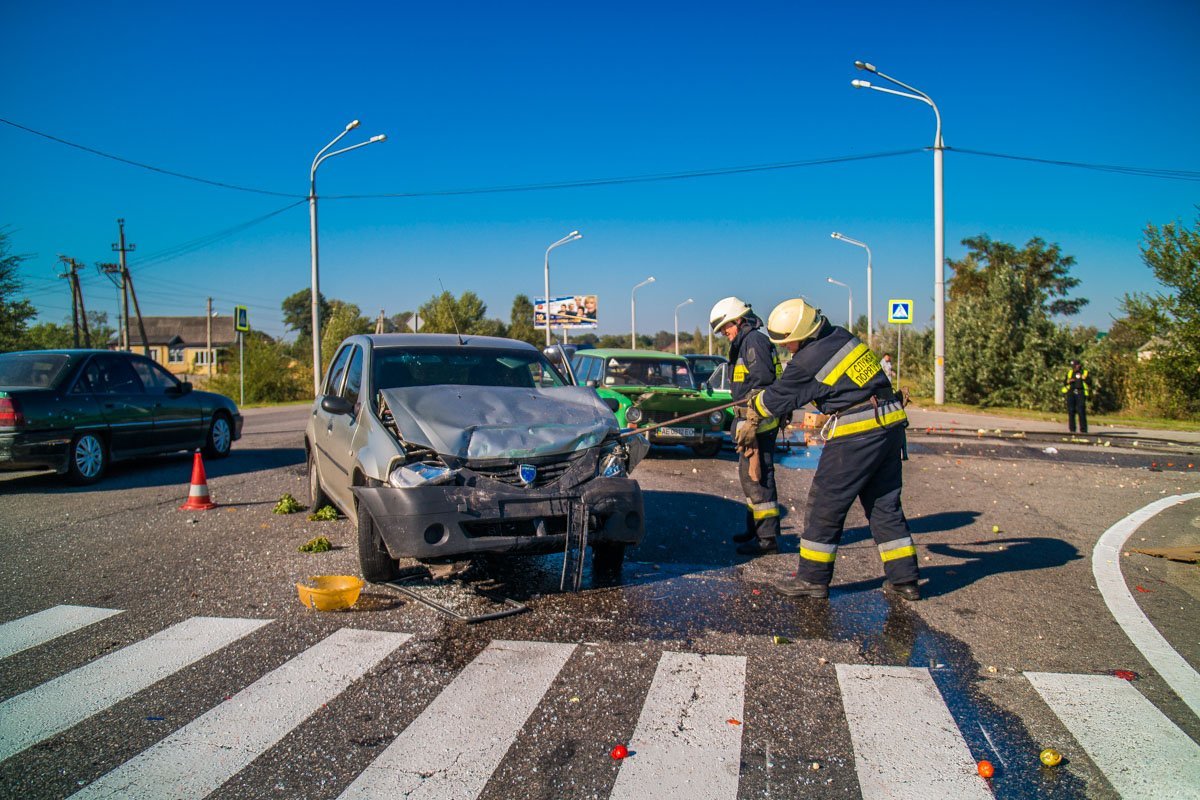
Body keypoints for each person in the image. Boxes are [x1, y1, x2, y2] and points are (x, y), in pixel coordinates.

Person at [746, 297, 920, 600]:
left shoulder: (809, 359)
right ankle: (905, 579)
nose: (787, 348)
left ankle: (812, 579)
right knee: (884, 505)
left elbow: (776, 400)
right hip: (889, 424)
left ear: (803, 334)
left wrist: (753, 405)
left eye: (788, 342)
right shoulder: (841, 336)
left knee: (825, 505)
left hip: (857, 433)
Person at [709, 296, 782, 555]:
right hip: (749, 420)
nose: (724, 333)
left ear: (738, 321)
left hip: (757, 422)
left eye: (726, 327)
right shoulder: (743, 343)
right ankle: (755, 530)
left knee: (758, 477)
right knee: (750, 477)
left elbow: (763, 385)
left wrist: (751, 422)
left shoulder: (754, 342)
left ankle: (767, 539)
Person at [1062, 358, 1090, 433]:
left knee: (1081, 410)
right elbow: (1065, 382)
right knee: (1071, 411)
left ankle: (1083, 430)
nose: (1074, 367)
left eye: (1075, 366)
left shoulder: (1084, 372)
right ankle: (1072, 429)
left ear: (1079, 365)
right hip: (1071, 392)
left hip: (1080, 392)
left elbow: (1090, 382)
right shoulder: (1070, 373)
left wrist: (1084, 378)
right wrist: (1069, 381)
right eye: (1073, 366)